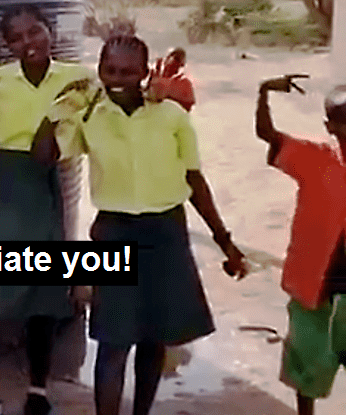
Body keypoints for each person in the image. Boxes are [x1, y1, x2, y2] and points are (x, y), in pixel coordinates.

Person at [37, 34, 247, 415]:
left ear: (144, 72)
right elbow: (43, 156)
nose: (117, 79)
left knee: (154, 338)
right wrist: (60, 109)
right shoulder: (90, 116)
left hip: (166, 233)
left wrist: (225, 242)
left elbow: (195, 182)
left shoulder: (172, 117)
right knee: (113, 342)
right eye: (109, 70)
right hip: (114, 233)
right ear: (99, 70)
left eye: (127, 71)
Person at [0, 5, 95, 415]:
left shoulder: (78, 78)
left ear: (49, 30)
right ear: (7, 45)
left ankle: (38, 389)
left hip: (43, 184)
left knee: (43, 297)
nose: (28, 43)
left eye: (34, 32)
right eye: (17, 38)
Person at [256, 75, 346, 415]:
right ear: (330, 126)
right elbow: (267, 134)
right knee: (305, 368)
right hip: (313, 287)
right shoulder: (315, 158)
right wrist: (263, 93)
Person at [147, 47, 195, 112]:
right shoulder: (153, 73)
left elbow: (189, 106)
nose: (175, 64)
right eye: (175, 59)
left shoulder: (184, 83)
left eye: (179, 63)